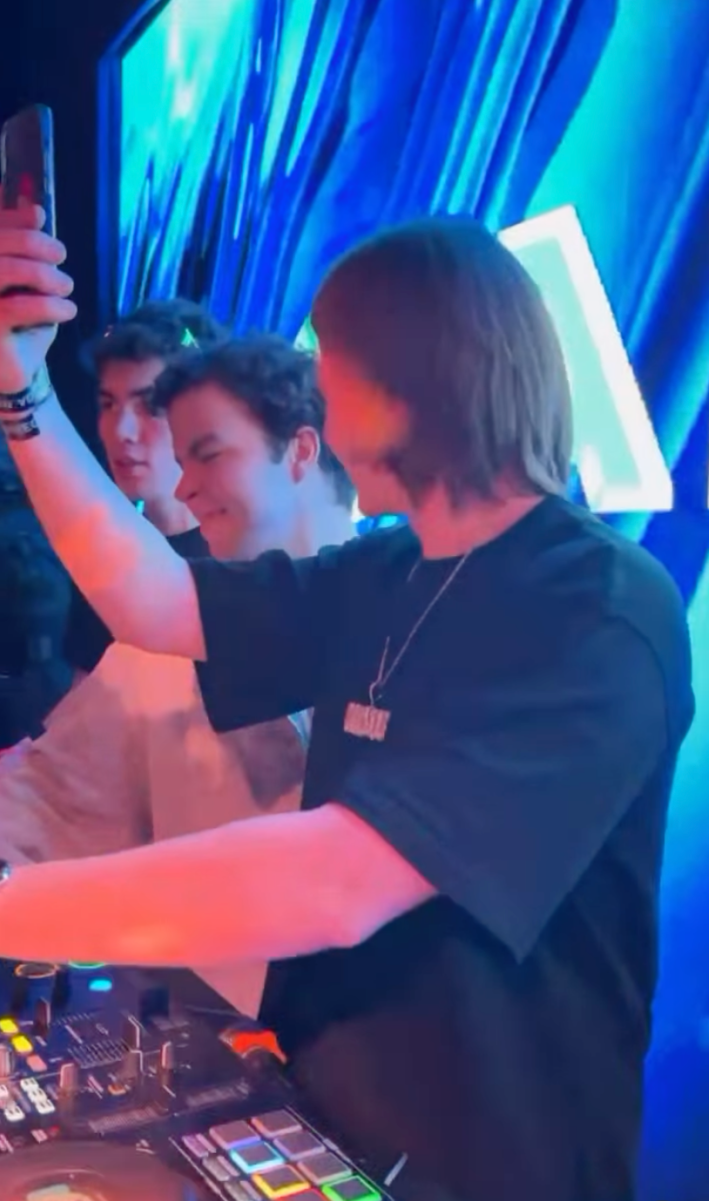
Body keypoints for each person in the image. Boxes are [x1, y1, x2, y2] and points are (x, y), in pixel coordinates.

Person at [0, 202, 695, 1201]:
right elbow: (153, 598)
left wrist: (14, 907)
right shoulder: (387, 568)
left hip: (495, 1164)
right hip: (327, 1123)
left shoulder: (598, 603)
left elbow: (334, 882)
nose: (317, 400)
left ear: (419, 373)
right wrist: (22, 391)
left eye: (335, 362)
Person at [0, 334, 355, 1016]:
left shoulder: (421, 621)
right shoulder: (153, 653)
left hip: (398, 1051)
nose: (186, 488)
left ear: (301, 451)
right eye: (183, 460)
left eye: (210, 454)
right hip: (219, 1033)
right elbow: (46, 803)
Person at [64, 299, 223, 678]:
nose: (121, 431)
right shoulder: (106, 554)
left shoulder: (246, 564)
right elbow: (83, 697)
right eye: (109, 404)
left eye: (150, 405)